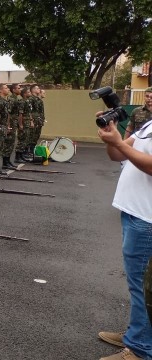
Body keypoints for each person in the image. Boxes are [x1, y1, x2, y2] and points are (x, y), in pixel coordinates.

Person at [96, 115, 152, 360]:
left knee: (143, 286)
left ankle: (141, 348)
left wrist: (118, 144)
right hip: (134, 212)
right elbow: (118, 154)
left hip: (147, 218)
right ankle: (137, 333)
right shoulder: (150, 124)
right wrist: (111, 138)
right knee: (137, 282)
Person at [5, 84, 22, 166]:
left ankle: (8, 161)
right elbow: (8, 113)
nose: (20, 89)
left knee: (11, 142)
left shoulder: (16, 99)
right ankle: (5, 162)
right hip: (11, 122)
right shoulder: (11, 99)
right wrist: (8, 125)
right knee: (9, 142)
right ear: (14, 90)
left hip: (14, 122)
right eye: (18, 88)